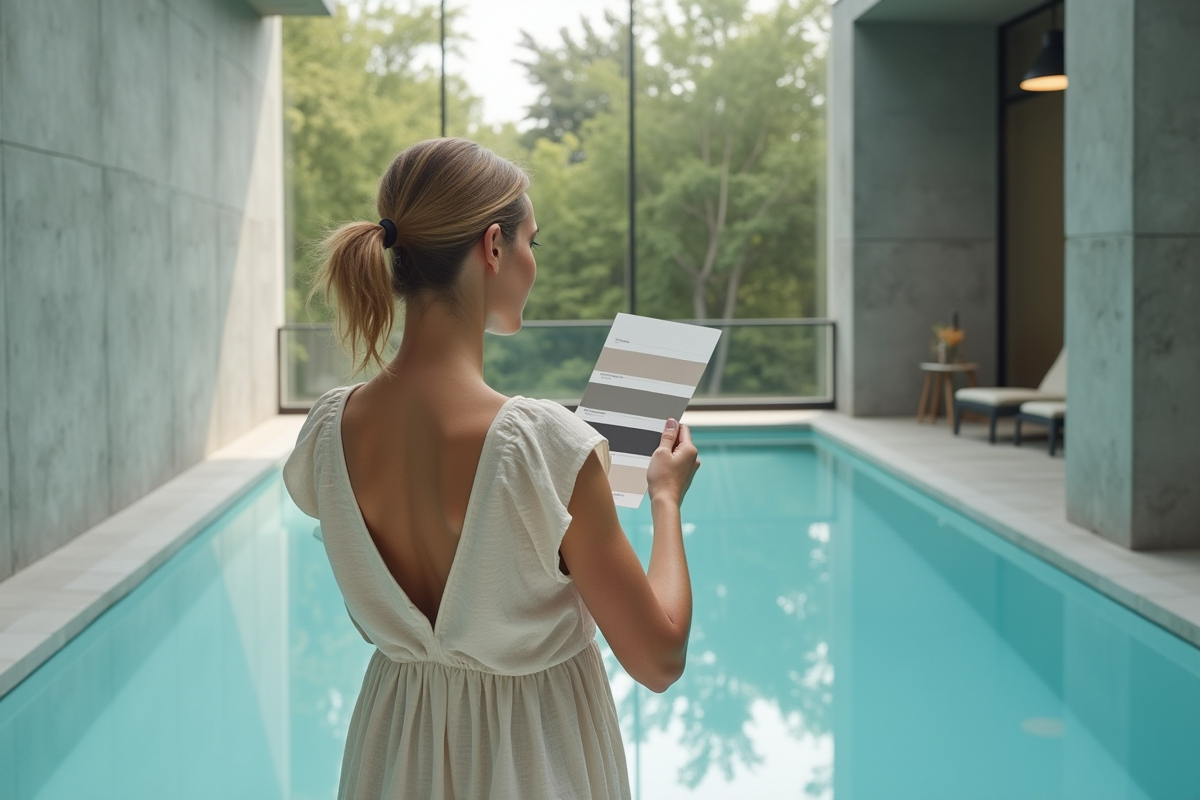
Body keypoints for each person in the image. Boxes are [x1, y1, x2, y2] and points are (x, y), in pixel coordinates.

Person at [283, 137, 699, 800]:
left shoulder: (327, 433)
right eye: (534, 242)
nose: (534, 263)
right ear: (493, 247)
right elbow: (658, 658)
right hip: (536, 767)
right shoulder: (544, 448)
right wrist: (666, 500)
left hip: (393, 763)